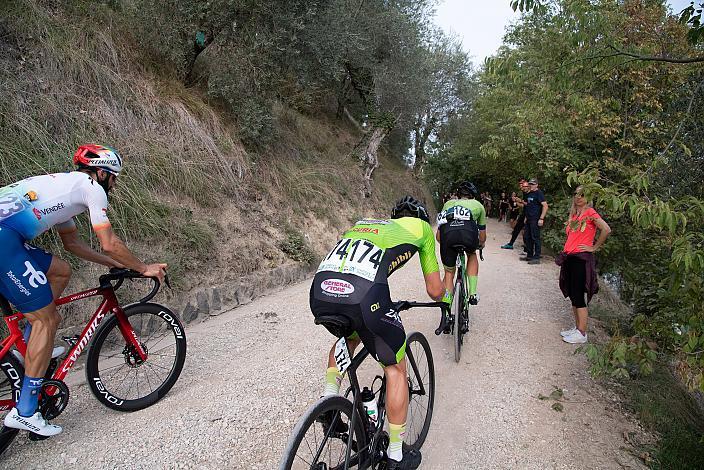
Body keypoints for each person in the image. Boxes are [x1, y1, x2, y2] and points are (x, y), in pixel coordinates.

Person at [0, 144, 167, 436]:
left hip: (9, 238)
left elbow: (73, 245)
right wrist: (143, 268)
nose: (114, 184)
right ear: (101, 173)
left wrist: (112, 264)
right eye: (114, 177)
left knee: (60, 270)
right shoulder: (93, 188)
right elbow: (109, 241)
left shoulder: (64, 189)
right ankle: (25, 411)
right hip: (4, 241)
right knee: (47, 320)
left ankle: (32, 346)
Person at [310, 195, 445, 470]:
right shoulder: (421, 230)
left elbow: (366, 269)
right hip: (362, 296)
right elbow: (434, 290)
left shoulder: (368, 224)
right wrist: (445, 293)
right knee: (395, 367)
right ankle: (396, 455)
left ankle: (329, 405)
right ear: (421, 217)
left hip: (320, 290)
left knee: (350, 336)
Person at [556, 186, 611, 344]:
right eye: (576, 194)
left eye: (582, 195)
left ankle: (582, 333)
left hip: (581, 258)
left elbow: (606, 229)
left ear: (588, 198)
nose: (578, 197)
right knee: (573, 294)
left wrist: (594, 247)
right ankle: (577, 328)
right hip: (570, 257)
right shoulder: (574, 214)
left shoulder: (590, 213)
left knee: (579, 295)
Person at [436, 181, 486, 306]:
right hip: (468, 233)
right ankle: (472, 293)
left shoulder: (448, 204)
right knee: (472, 254)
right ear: (473, 195)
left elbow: (438, 235)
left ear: (458, 195)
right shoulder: (478, 205)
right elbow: (482, 234)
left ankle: (446, 306)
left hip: (447, 234)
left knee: (449, 272)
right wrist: (481, 244)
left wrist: (447, 245)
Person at [520, 178, 548, 264]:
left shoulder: (539, 193)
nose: (530, 186)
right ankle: (529, 255)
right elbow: (529, 205)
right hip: (529, 218)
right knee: (527, 237)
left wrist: (541, 218)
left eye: (532, 184)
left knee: (535, 237)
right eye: (530, 184)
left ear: (536, 185)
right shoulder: (530, 193)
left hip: (536, 219)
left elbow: (545, 206)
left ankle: (537, 257)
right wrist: (526, 217)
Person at [501, 180, 530, 249]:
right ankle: (511, 244)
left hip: (528, 214)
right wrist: (517, 201)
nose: (521, 187)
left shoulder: (529, 193)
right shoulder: (524, 193)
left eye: (522, 185)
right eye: (520, 185)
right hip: (524, 213)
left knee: (525, 231)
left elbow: (528, 204)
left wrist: (520, 201)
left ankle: (527, 246)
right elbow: (523, 205)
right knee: (517, 229)